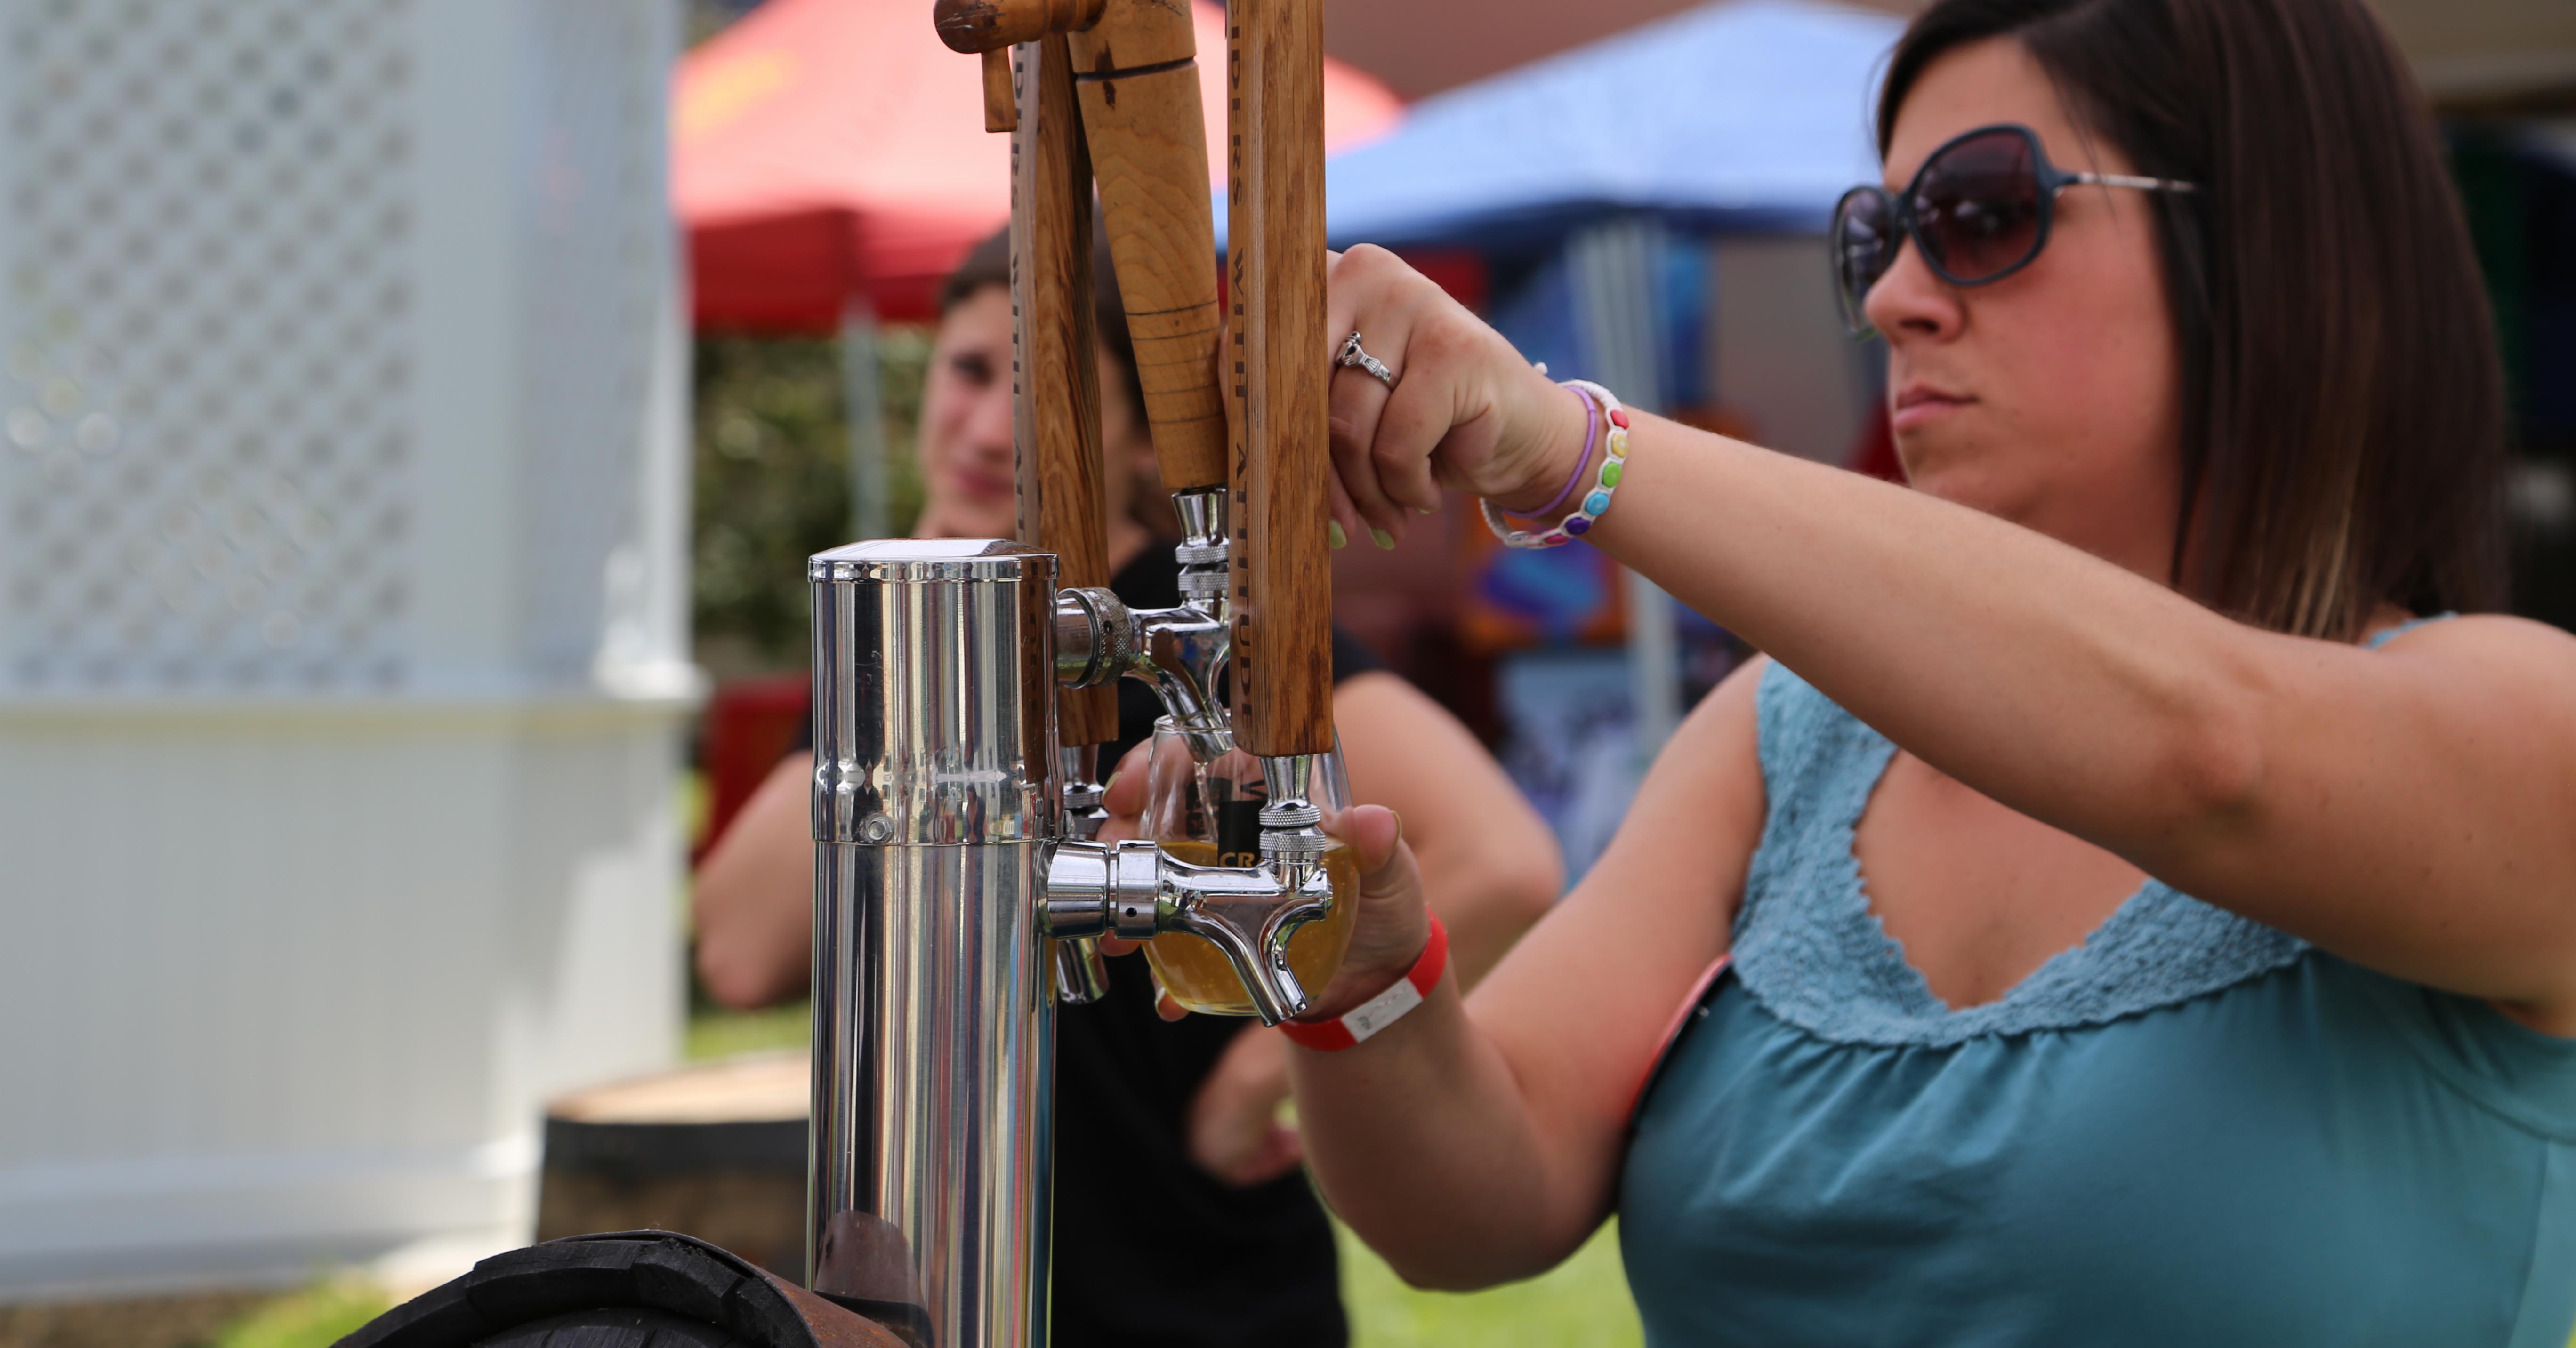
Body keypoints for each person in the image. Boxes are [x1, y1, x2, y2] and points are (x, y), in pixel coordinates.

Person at [1155, 0, 2576, 1342]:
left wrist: (1569, 447)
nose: (1894, 297)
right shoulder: (1789, 729)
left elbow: (2211, 755)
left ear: (2277, 243)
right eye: (1876, 236)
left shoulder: (2527, 725)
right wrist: (1362, 982)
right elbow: (1482, 1203)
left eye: (1976, 217)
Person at [692, 229, 1562, 1348]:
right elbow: (737, 948)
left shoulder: (1202, 637)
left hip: (1200, 1280)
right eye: (966, 372)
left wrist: (1261, 1073)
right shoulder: (903, 657)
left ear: (1134, 436)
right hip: (941, 1271)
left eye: (1037, 394)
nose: (992, 427)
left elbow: (1505, 858)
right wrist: (911, 624)